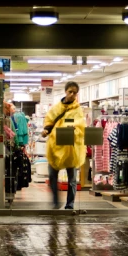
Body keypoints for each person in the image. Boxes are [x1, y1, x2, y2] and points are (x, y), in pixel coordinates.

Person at [40, 81, 86, 210]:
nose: (72, 95)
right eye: (70, 92)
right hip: (55, 147)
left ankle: (69, 205)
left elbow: (81, 126)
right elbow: (49, 121)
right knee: (52, 176)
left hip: (71, 149)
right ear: (65, 91)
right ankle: (55, 202)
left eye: (75, 93)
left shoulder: (78, 110)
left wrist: (71, 128)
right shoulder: (56, 108)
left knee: (72, 179)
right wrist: (45, 130)